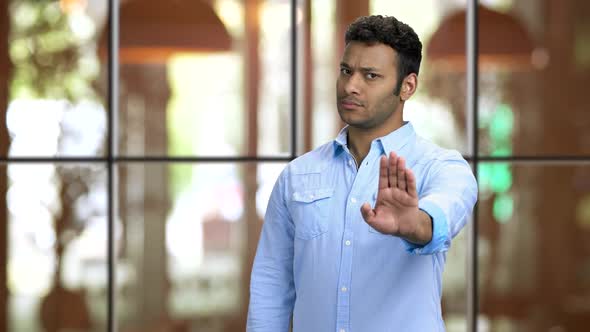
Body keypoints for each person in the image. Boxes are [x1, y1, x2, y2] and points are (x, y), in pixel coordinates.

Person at [247, 15, 478, 332]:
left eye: (370, 76)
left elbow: (445, 213)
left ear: (407, 86)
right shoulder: (297, 176)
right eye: (346, 71)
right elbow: (271, 285)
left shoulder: (443, 168)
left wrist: (414, 224)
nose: (350, 86)